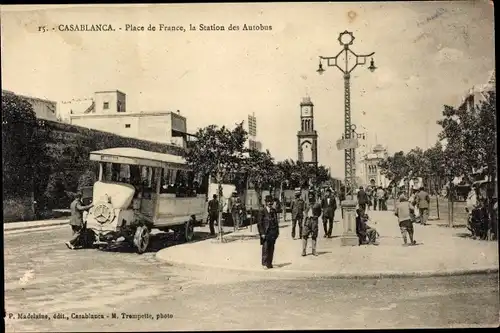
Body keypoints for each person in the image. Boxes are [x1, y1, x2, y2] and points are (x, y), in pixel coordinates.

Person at [257, 195, 280, 269]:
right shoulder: (262, 210)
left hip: (273, 232)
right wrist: (262, 233)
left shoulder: (273, 211)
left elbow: (276, 222)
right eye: (268, 202)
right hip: (266, 232)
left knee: (271, 248)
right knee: (265, 248)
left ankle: (269, 263)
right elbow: (259, 223)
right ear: (266, 203)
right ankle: (264, 263)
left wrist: (277, 231)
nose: (270, 203)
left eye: (271, 202)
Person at [302, 191, 322, 256]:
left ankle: (314, 250)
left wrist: (315, 217)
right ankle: (304, 250)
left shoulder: (317, 204)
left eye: (312, 196)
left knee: (314, 235)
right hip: (307, 221)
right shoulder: (306, 204)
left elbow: (319, 212)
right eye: (309, 196)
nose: (310, 197)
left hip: (314, 221)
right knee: (305, 235)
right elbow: (304, 211)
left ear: (314, 197)